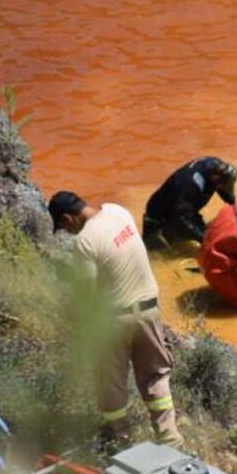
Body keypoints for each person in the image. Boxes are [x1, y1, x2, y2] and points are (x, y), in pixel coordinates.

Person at [49, 191, 184, 448]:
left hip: (116, 320)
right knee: (156, 376)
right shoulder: (117, 211)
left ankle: (120, 440)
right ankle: (169, 438)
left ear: (67, 218)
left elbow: (88, 296)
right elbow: (118, 260)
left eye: (65, 228)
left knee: (109, 381)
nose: (69, 234)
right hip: (149, 310)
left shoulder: (85, 242)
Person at [142, 156, 237, 251]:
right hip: (161, 217)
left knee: (207, 234)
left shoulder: (217, 166)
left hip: (184, 208)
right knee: (161, 254)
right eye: (221, 185)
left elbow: (225, 191)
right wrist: (205, 240)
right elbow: (182, 220)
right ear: (215, 178)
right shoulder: (191, 184)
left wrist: (235, 208)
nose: (221, 188)